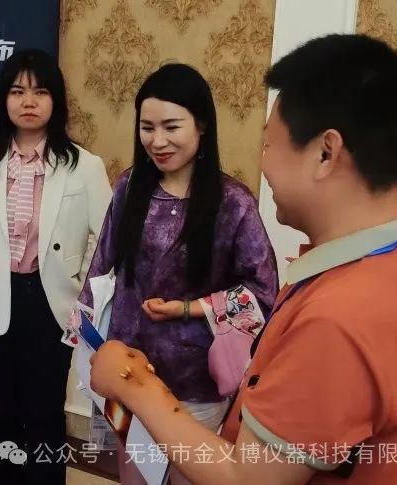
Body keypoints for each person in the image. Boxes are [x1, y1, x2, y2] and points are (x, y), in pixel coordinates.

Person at [88, 34, 397, 485]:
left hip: (191, 389)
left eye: (268, 145)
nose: (263, 165)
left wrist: (131, 381)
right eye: (147, 127)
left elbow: (244, 477)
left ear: (325, 153)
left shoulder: (337, 318)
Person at [76, 63, 278, 484]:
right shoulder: (129, 188)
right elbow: (101, 269)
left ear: (201, 125)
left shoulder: (233, 203)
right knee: (135, 476)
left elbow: (262, 295)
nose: (157, 141)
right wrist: (84, 340)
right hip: (129, 373)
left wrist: (188, 309)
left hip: (195, 383)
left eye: (171, 127)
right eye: (147, 128)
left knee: (189, 475)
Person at [0, 49, 112, 485]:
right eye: (17, 91)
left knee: (44, 410)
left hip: (50, 303)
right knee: (0, 410)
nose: (28, 101)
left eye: (40, 91)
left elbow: (108, 242)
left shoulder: (83, 166)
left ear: (56, 99)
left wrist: (83, 291)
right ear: (4, 99)